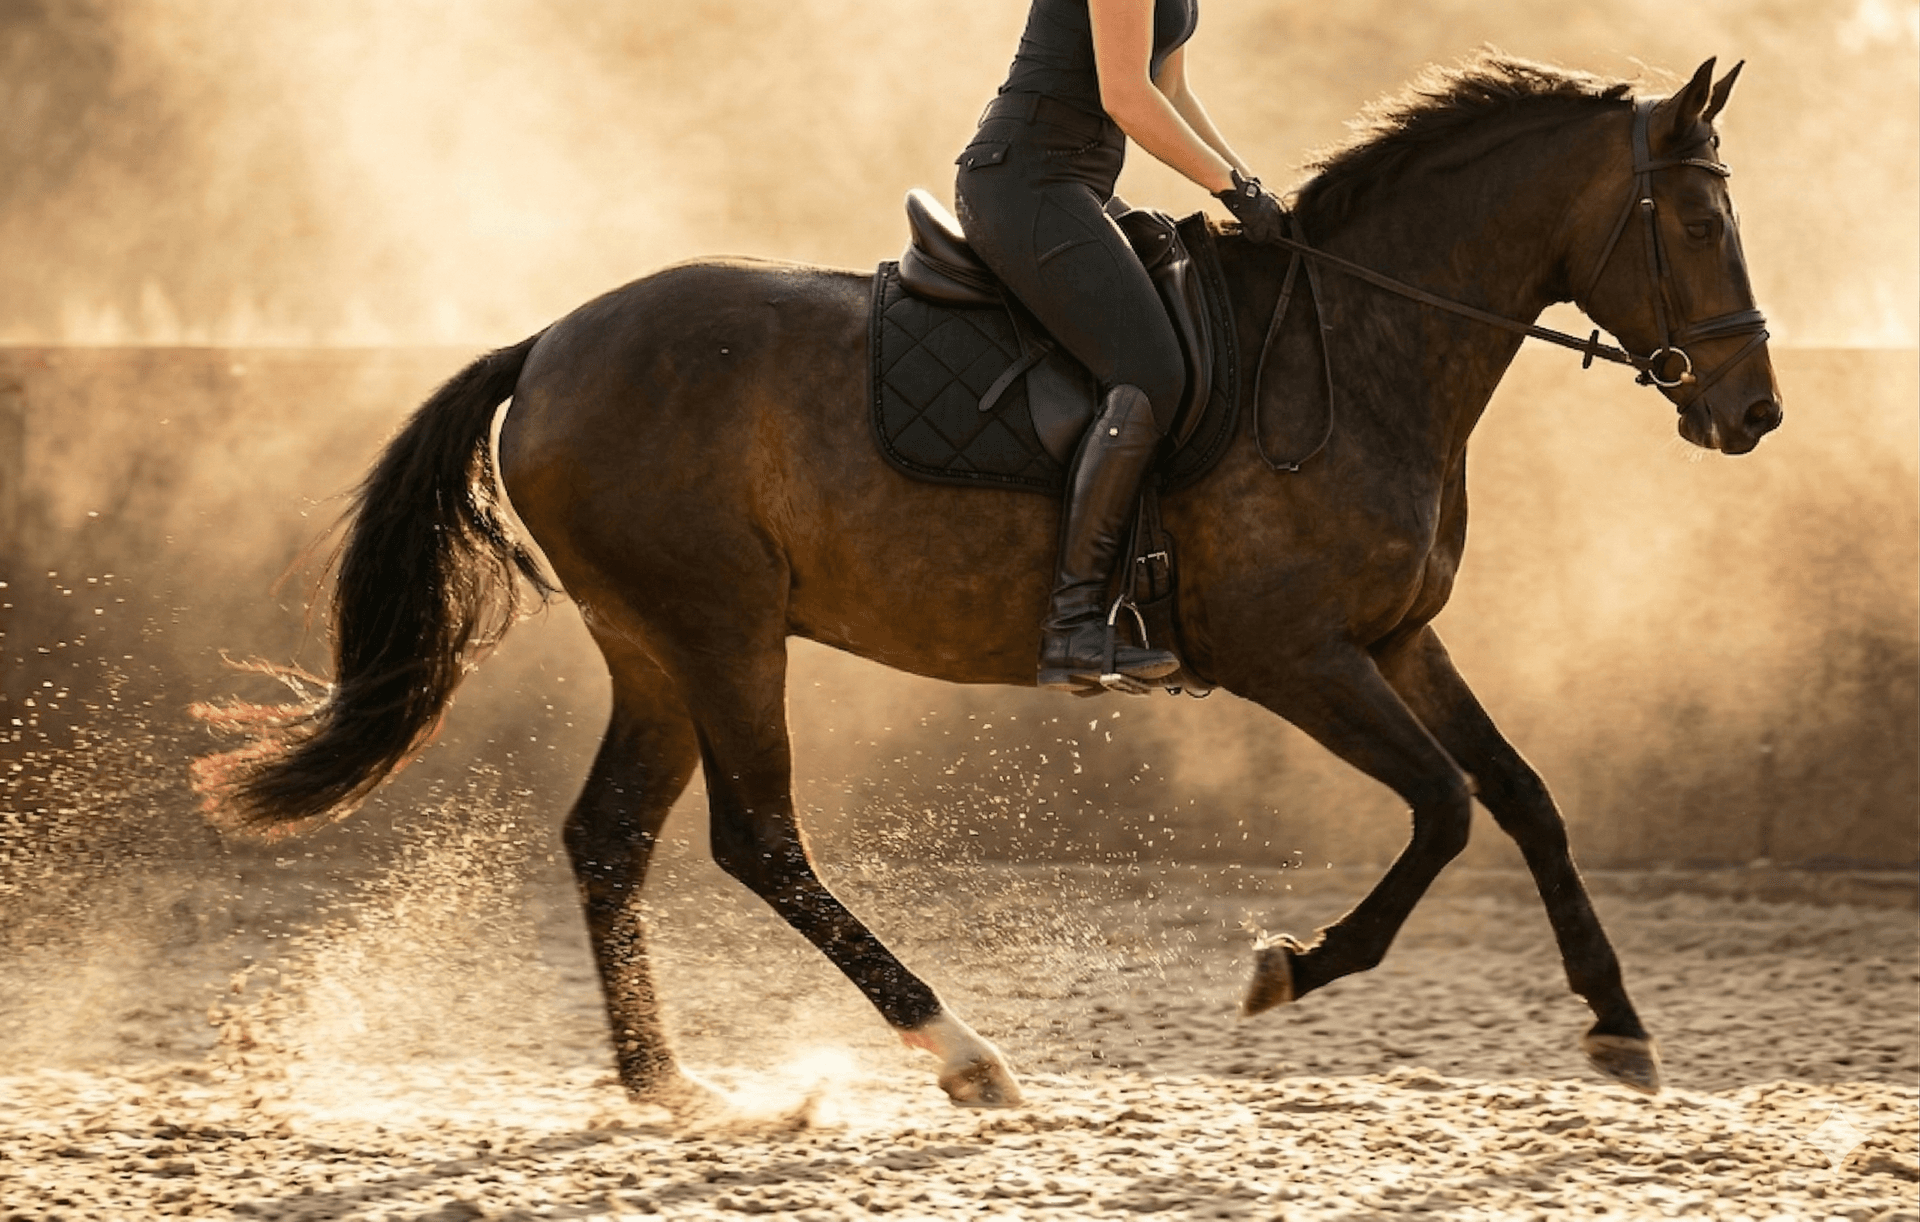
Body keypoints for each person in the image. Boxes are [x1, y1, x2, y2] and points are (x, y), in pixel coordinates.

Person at [954, 0, 1285, 692]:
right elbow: (1126, 97)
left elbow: (1172, 89)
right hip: (1026, 181)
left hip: (1073, 184)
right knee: (1149, 371)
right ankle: (1072, 625)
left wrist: (1254, 188)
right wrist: (1234, 190)